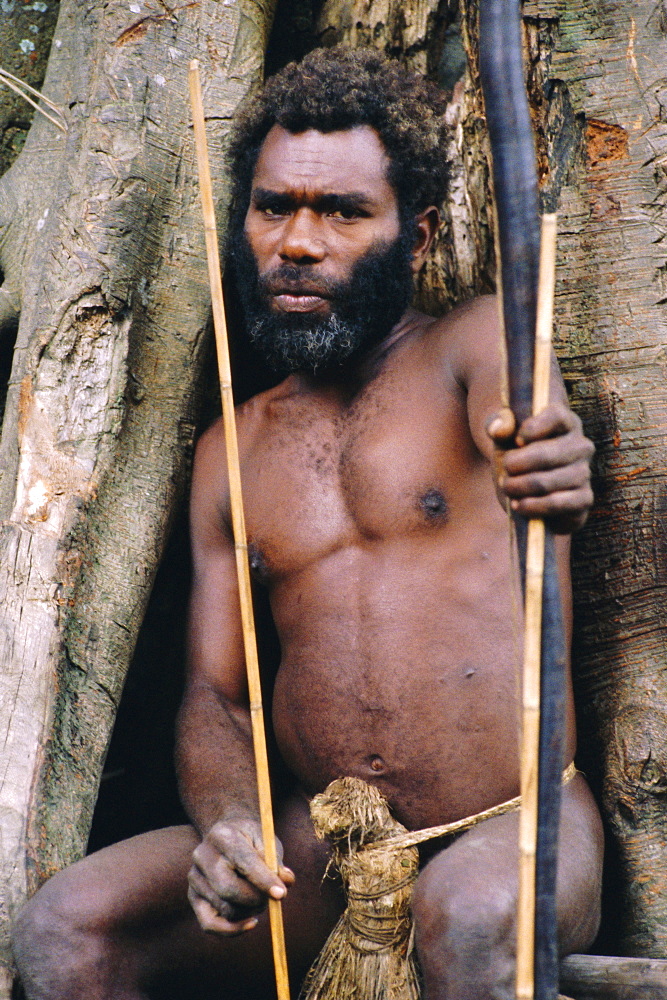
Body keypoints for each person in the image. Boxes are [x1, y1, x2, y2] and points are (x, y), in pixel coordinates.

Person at [12, 46, 603, 1000]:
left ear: (412, 238)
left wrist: (554, 466)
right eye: (274, 205)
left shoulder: (477, 344)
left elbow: (533, 431)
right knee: (67, 931)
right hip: (320, 853)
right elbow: (216, 696)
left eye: (340, 212)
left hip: (515, 823)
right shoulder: (229, 455)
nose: (297, 240)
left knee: (468, 918)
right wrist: (229, 827)